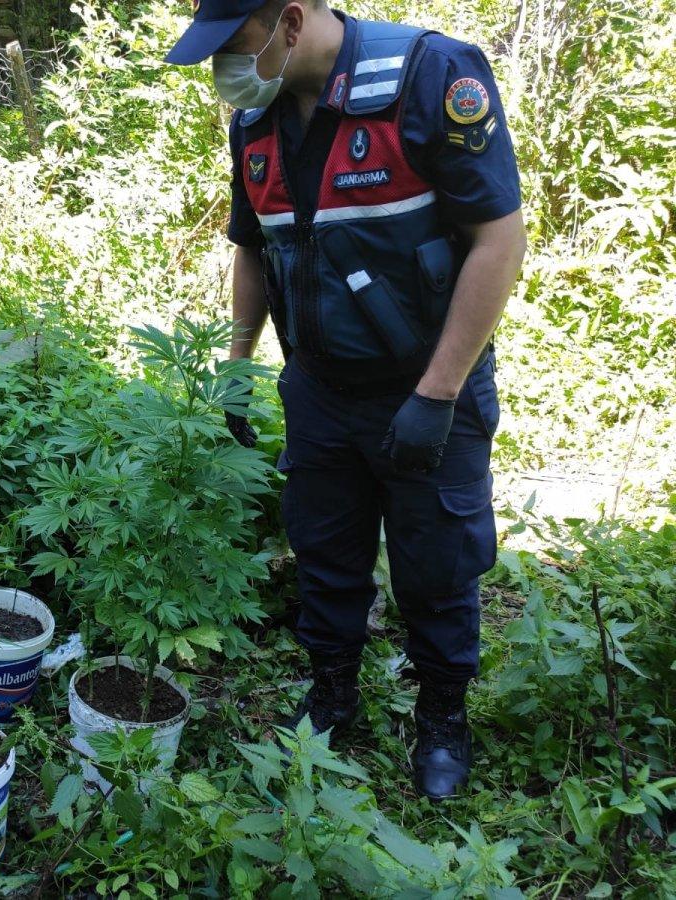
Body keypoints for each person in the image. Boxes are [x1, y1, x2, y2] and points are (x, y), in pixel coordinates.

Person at [166, 1, 526, 799]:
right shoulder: (255, 121)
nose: (227, 69)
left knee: (437, 564)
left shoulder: (431, 77)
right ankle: (333, 693)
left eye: (235, 45)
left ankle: (441, 716)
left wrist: (436, 395)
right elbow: (255, 247)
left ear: (290, 22)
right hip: (319, 388)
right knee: (325, 557)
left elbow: (500, 240)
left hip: (432, 383)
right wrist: (238, 364)